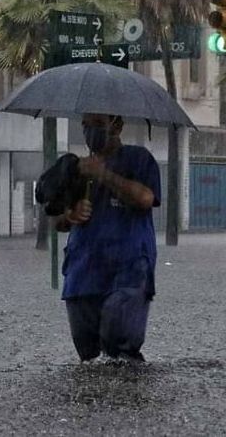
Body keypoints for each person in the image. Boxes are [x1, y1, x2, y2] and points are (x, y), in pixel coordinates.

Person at [55, 113, 161, 363]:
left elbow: (145, 199)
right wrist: (70, 215)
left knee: (121, 347)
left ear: (118, 125)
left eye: (98, 125)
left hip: (129, 269)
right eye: (85, 125)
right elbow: (57, 219)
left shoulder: (139, 159)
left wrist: (105, 175)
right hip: (82, 272)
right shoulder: (75, 168)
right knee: (88, 355)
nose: (90, 131)